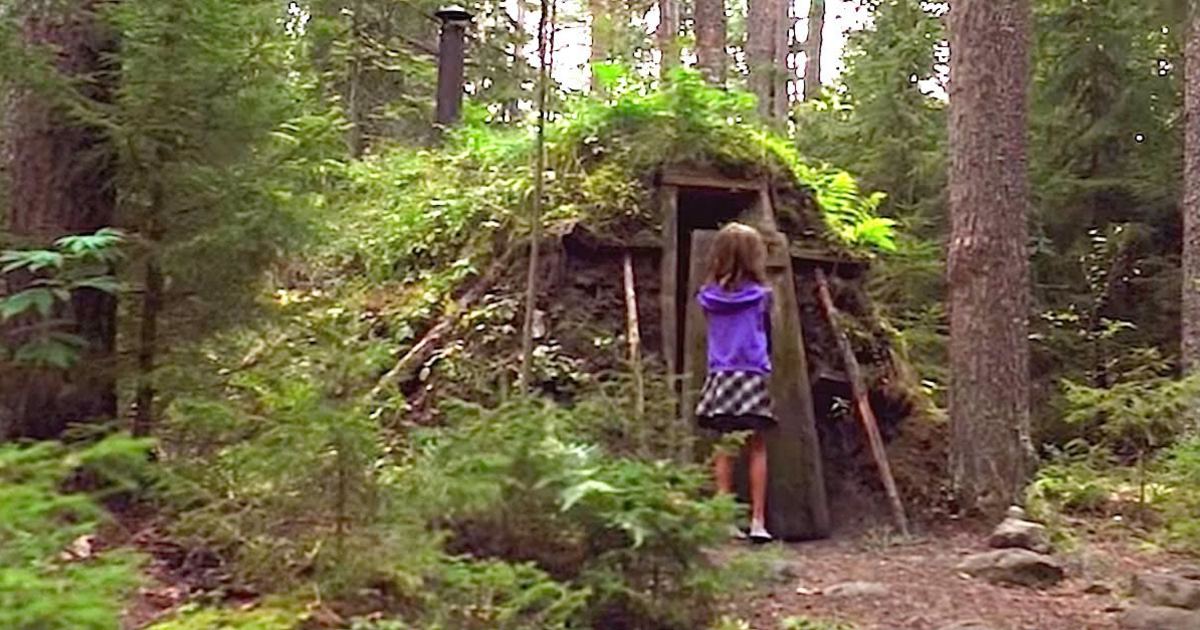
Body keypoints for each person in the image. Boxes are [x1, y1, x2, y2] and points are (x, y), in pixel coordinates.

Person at [695, 222, 776, 543]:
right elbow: (768, 334)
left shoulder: (707, 297)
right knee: (757, 446)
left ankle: (724, 517)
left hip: (721, 374)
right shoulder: (763, 297)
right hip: (752, 374)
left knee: (725, 446)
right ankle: (758, 521)